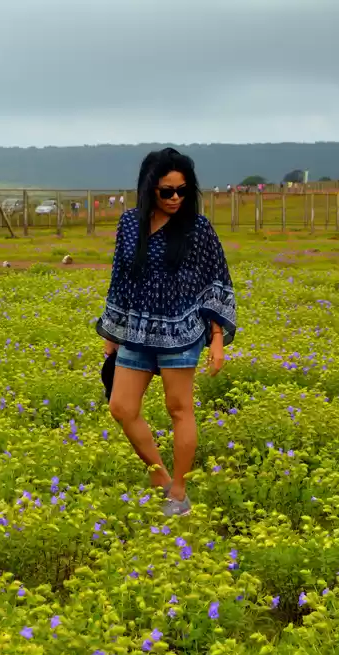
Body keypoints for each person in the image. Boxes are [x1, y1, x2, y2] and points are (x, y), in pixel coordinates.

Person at [97, 148, 237, 517]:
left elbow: (216, 284)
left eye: (182, 190)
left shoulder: (198, 229)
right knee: (121, 408)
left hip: (181, 331)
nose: (176, 198)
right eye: (167, 191)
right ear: (149, 190)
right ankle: (159, 476)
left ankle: (179, 491)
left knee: (179, 409)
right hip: (137, 330)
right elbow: (120, 280)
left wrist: (218, 340)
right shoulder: (129, 225)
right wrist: (111, 336)